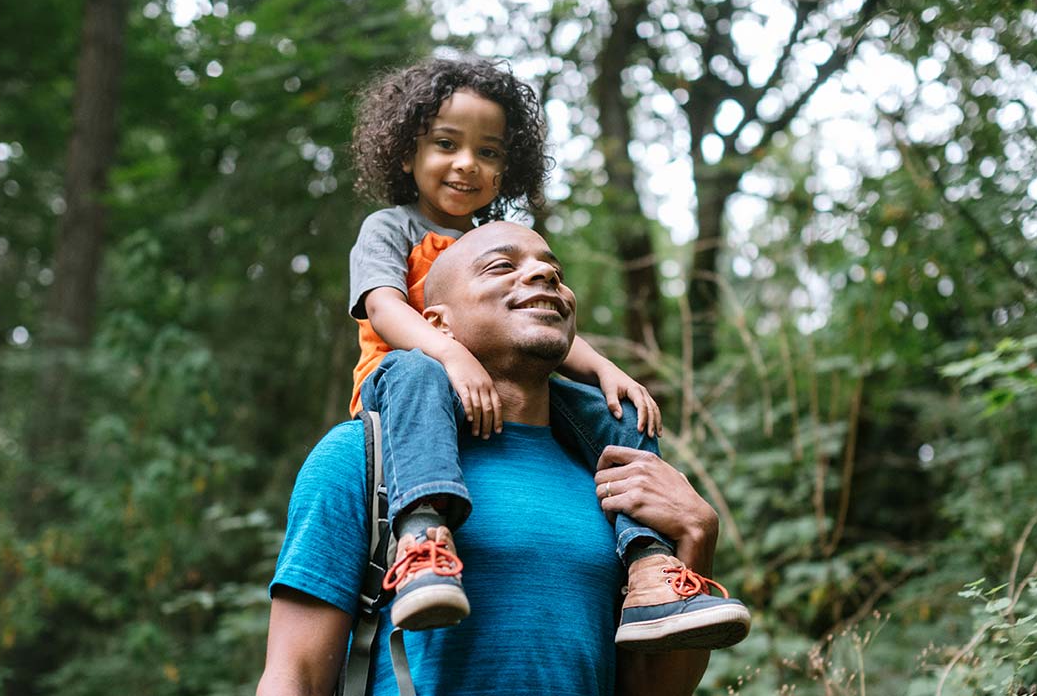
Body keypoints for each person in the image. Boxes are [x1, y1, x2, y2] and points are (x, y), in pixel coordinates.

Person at [343, 56, 749, 649]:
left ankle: (649, 569)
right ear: (407, 154)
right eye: (446, 144)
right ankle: (423, 538)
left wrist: (607, 371)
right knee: (414, 370)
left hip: (500, 390)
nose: (467, 164)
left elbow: (540, 327)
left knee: (618, 412)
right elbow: (384, 308)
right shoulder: (391, 228)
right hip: (408, 387)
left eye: (489, 152)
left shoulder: (500, 236)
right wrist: (450, 354)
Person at [259, 223, 741, 695]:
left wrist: (696, 537)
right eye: (501, 266)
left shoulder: (618, 476)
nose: (544, 276)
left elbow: (654, 690)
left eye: (553, 270)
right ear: (438, 324)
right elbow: (295, 675)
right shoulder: (361, 458)